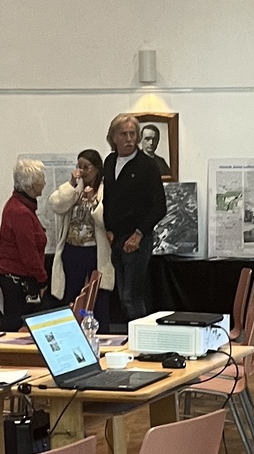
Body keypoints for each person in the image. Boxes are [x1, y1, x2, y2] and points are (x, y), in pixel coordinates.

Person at [100, 112, 166, 329]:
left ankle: (143, 339)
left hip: (137, 239)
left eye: (132, 134)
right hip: (115, 239)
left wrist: (139, 234)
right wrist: (108, 228)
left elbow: (159, 206)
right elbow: (108, 198)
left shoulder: (147, 166)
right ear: (113, 137)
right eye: (123, 134)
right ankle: (134, 337)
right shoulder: (109, 162)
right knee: (122, 295)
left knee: (132, 297)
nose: (129, 139)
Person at [47, 149, 114, 305]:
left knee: (96, 295)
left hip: (94, 250)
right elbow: (57, 205)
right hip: (72, 248)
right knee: (72, 293)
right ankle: (73, 319)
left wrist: (93, 202)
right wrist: (71, 184)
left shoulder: (105, 190)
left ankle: (97, 320)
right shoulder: (75, 190)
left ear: (97, 169)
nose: (82, 172)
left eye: (86, 167)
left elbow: (106, 220)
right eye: (79, 167)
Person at [0, 158, 48, 331]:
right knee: (13, 324)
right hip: (17, 279)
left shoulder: (20, 206)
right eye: (41, 180)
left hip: (16, 276)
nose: (44, 183)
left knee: (15, 322)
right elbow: (28, 252)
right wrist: (42, 280)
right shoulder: (20, 212)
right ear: (31, 186)